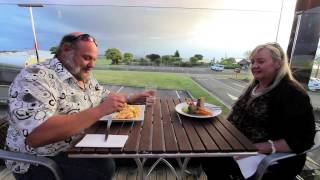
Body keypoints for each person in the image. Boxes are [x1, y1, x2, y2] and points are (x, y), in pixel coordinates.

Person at [5, 32, 154, 180]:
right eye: (87, 58)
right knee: (103, 167)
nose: (92, 65)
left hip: (80, 143)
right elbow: (36, 135)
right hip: (40, 159)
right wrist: (100, 110)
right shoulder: (35, 77)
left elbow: (104, 95)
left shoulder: (82, 76)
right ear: (66, 49)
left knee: (127, 149)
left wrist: (131, 97)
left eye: (94, 59)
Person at [201, 42, 316, 180]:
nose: (254, 66)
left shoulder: (292, 94)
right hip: (239, 145)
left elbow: (304, 139)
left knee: (212, 160)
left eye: (260, 61)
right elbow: (237, 115)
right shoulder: (255, 86)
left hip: (271, 158)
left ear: (278, 64)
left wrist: (259, 147)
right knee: (204, 147)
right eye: (252, 62)